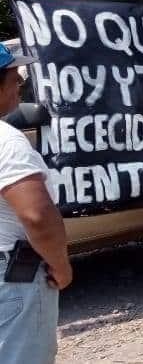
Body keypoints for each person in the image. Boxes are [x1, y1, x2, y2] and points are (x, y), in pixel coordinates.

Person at [0, 44, 71, 363]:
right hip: (14, 280)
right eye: (15, 78)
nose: (20, 85)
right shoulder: (6, 141)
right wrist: (60, 264)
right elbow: (37, 213)